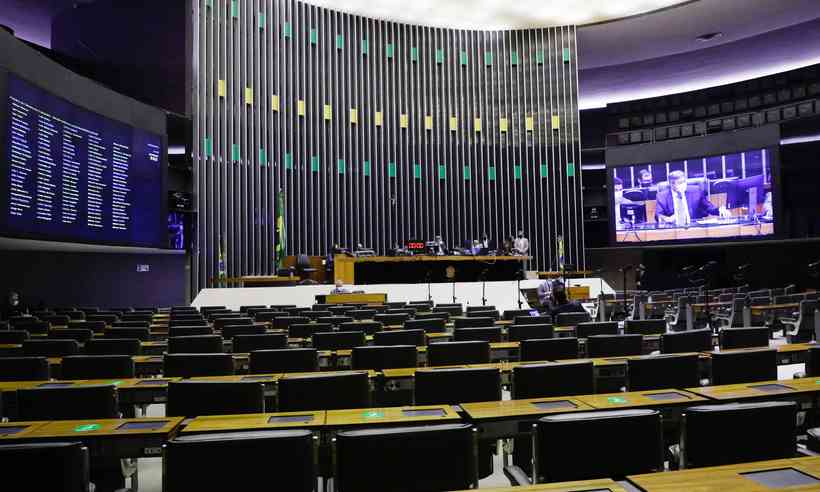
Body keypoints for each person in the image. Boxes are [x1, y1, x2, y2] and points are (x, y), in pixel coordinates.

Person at [656, 170, 730, 226]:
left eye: (682, 182)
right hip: (673, 230)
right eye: (676, 183)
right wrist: (667, 219)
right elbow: (658, 215)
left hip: (695, 228)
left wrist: (720, 210)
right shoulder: (662, 196)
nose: (679, 186)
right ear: (671, 184)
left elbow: (708, 207)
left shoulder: (696, 191)